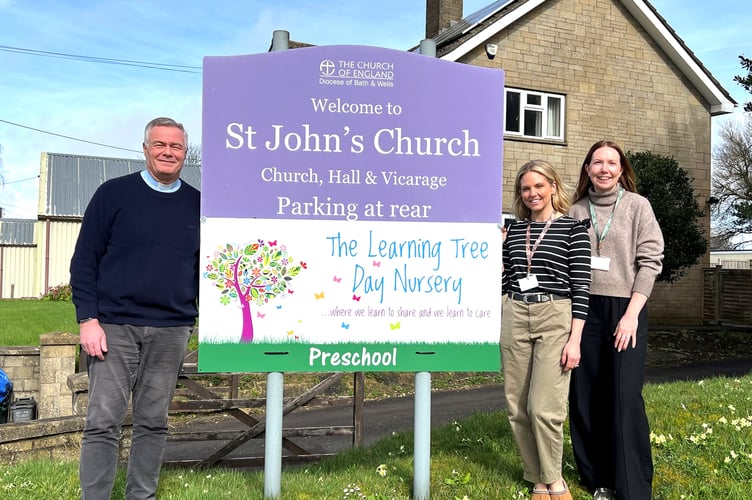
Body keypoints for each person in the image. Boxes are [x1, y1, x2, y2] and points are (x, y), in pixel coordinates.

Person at [70, 117, 200, 499]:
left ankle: (141, 495)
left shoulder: (197, 204)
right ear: (145, 149)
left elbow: (210, 267)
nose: (167, 152)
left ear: (185, 154)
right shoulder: (113, 194)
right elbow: (84, 261)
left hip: (171, 329)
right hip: (114, 327)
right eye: (160, 145)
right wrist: (87, 319)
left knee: (153, 423)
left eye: (176, 147)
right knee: (103, 421)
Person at [567, 140, 664, 500]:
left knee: (624, 398)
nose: (604, 169)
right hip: (582, 312)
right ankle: (597, 480)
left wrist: (631, 316)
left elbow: (651, 261)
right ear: (588, 169)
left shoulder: (638, 207)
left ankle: (632, 487)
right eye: (597, 163)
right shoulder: (575, 212)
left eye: (612, 163)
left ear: (621, 169)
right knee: (585, 396)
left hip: (627, 308)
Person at [501, 160, 591, 500]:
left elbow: (582, 286)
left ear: (553, 186)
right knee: (518, 405)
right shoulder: (514, 231)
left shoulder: (572, 229)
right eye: (526, 188)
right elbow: (507, 278)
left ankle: (555, 480)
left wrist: (575, 339)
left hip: (555, 314)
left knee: (544, 406)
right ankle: (536, 477)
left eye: (539, 186)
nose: (532, 193)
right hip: (514, 311)